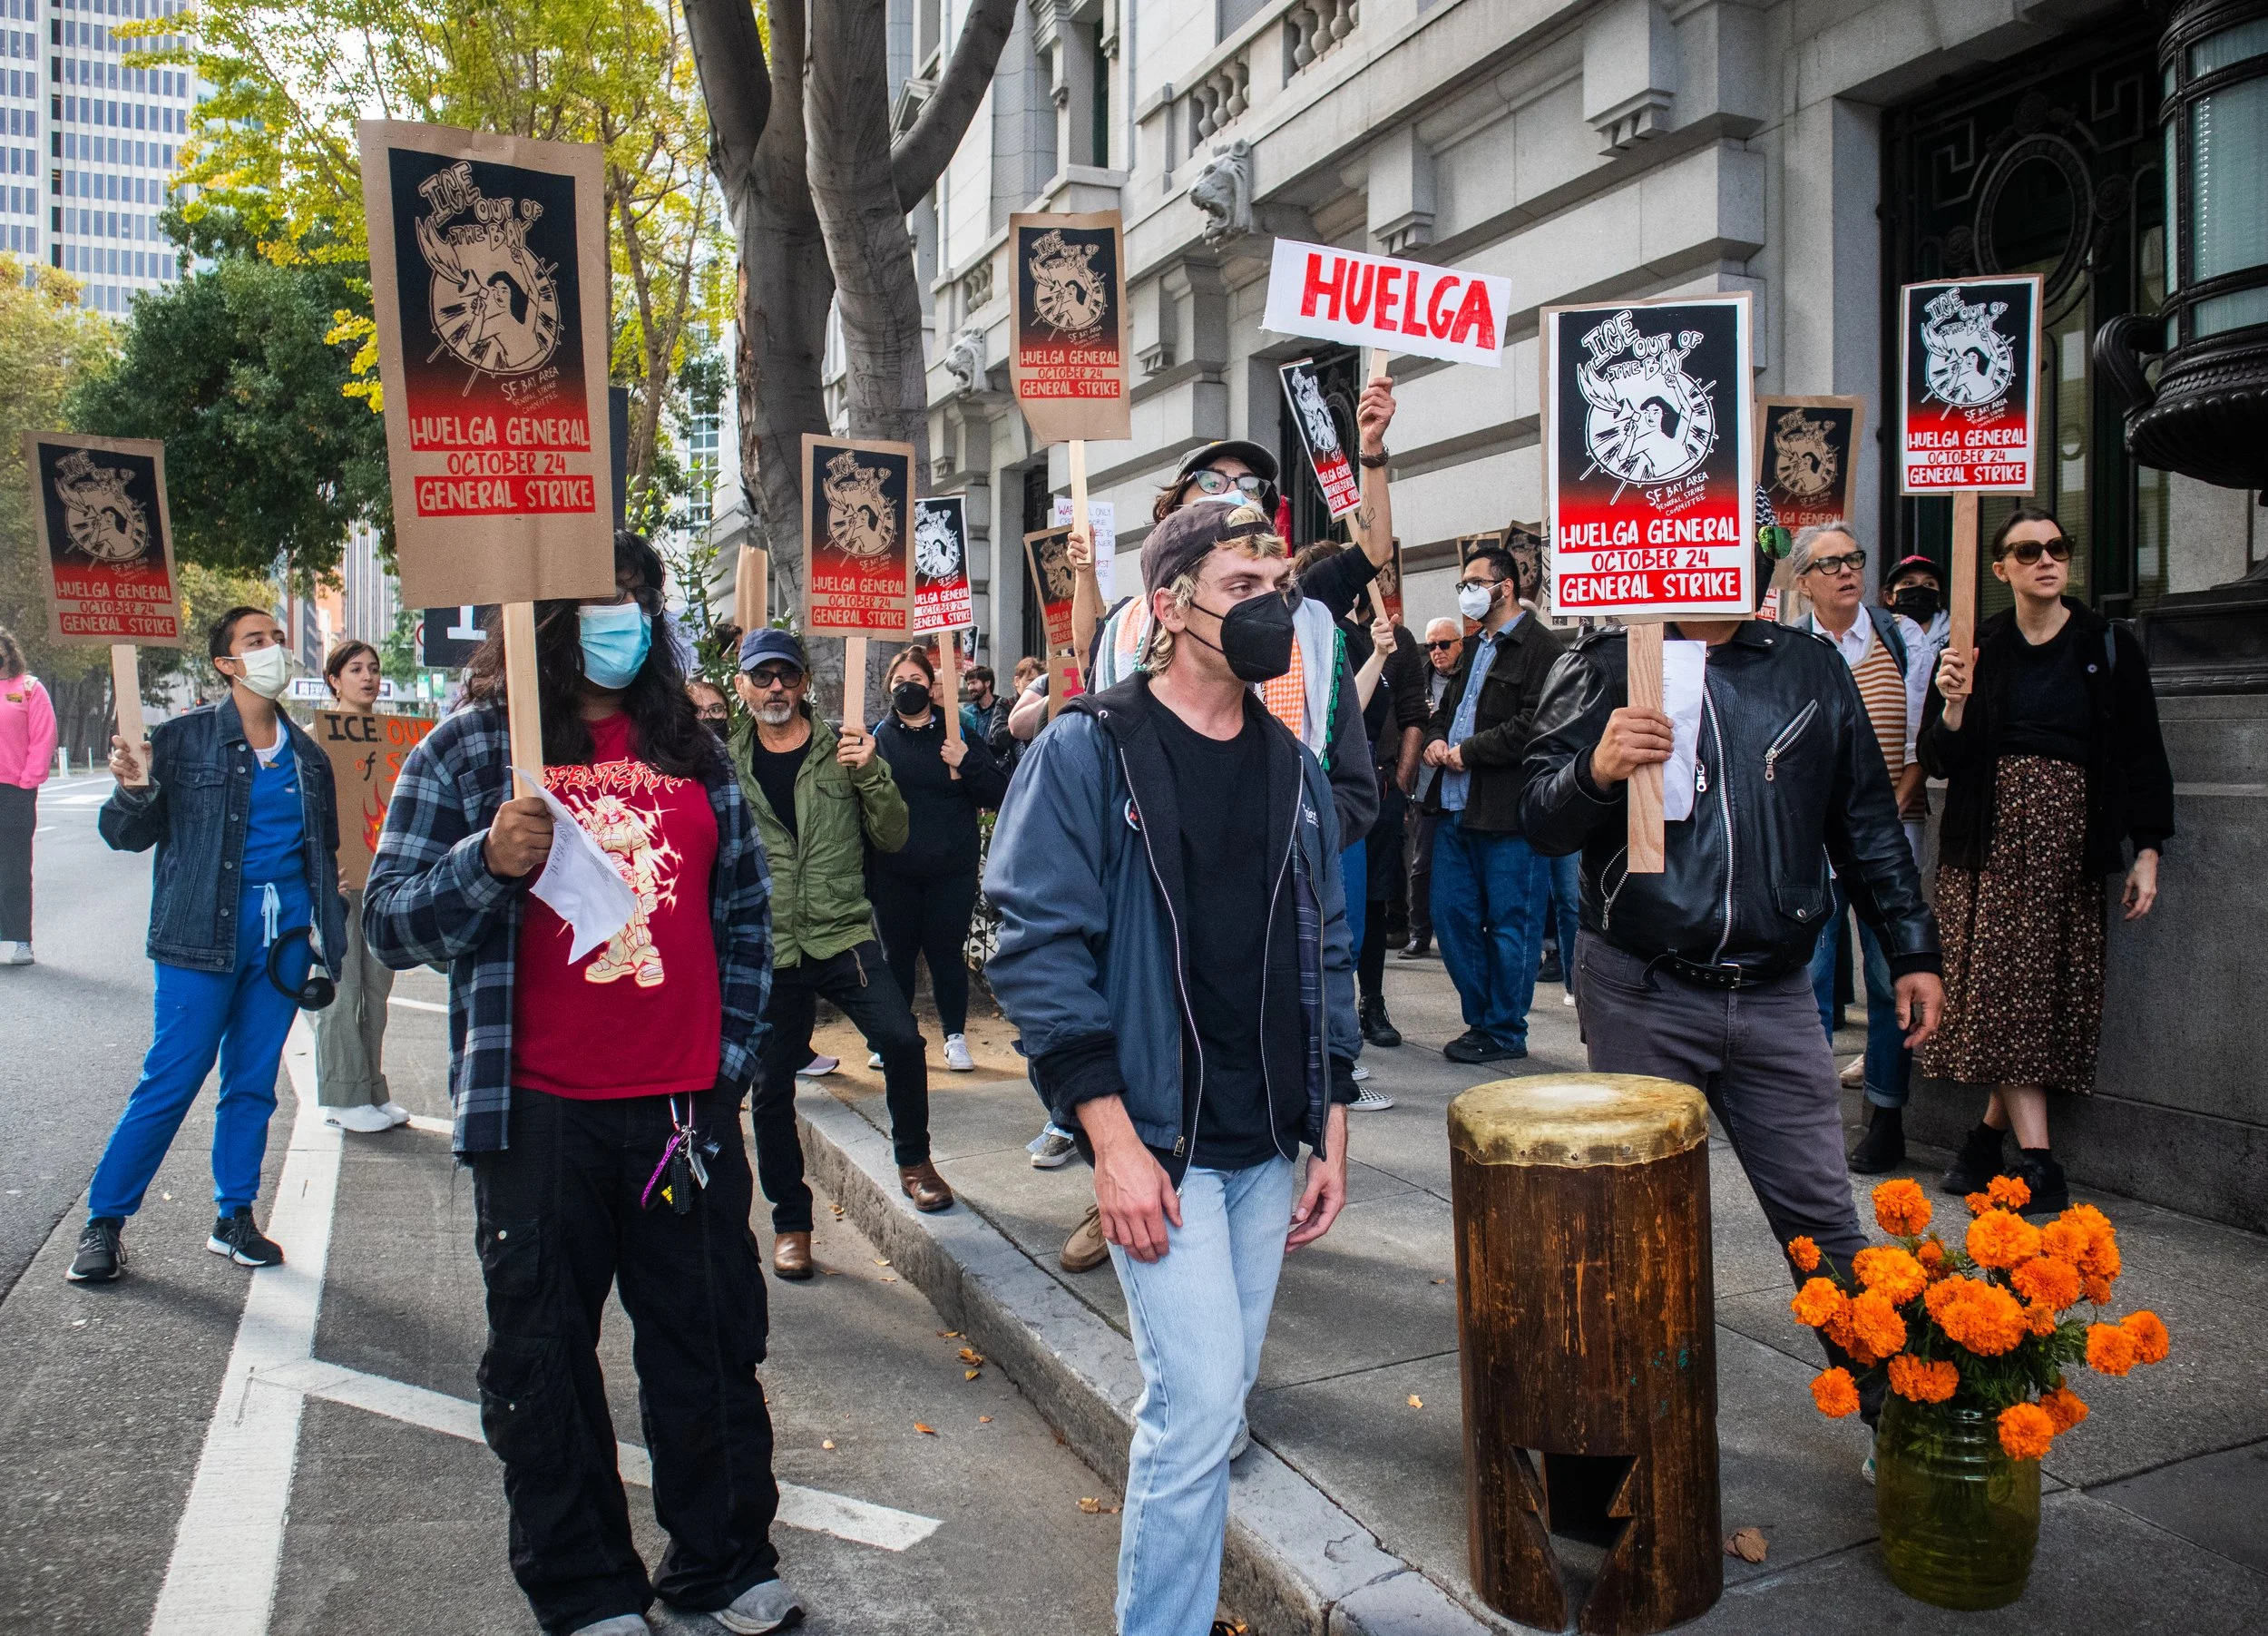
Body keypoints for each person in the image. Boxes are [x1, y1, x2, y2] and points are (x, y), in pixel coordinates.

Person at [364, 532, 797, 1636]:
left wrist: (728, 1064)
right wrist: (485, 864)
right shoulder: (470, 751)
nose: (624, 616)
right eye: (599, 599)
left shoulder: (693, 750)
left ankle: (725, 1563)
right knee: (542, 1360)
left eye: (639, 598)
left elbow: (745, 912)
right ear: (540, 619)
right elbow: (389, 920)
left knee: (708, 1342)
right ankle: (586, 1588)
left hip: (681, 1114)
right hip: (540, 1116)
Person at [984, 500, 1357, 1636]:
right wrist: (1110, 1143)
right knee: (1195, 1415)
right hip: (1161, 1142)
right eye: (1242, 587)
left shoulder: (1294, 766)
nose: (1269, 607)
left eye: (1276, 586)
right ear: (1169, 606)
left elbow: (1326, 949)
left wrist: (1328, 1122)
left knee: (1218, 1409)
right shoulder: (1089, 749)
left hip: (1263, 1149)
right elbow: (1036, 950)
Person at [1520, 592, 1942, 1415]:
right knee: (1637, 1229)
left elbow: (1865, 825)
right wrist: (1593, 770)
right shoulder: (1604, 662)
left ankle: (1900, 1414)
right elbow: (1537, 817)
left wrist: (1911, 946)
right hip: (1642, 986)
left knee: (1823, 1222)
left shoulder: (1809, 666)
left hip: (1778, 991)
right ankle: (1645, 1434)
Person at [71, 606, 347, 1284]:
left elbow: (324, 849)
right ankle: (104, 1221)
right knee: (171, 1079)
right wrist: (133, 789)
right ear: (226, 663)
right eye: (256, 641)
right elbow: (125, 834)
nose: (274, 649)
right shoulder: (180, 740)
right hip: (198, 939)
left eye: (277, 639)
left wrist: (327, 914)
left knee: (252, 1084)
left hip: (281, 945)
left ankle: (234, 1216)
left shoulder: (310, 758)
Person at [1920, 507, 2172, 1215]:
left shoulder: (2107, 644)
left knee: (2034, 1001)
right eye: (2027, 550)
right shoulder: (1979, 645)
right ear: (2000, 569)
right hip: (1987, 839)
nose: (2045, 559)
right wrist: (1952, 704)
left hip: (2068, 841)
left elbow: (2143, 757)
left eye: (2057, 547)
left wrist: (2146, 851)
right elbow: (1938, 757)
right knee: (1998, 997)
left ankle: (1984, 1146)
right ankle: (2038, 1163)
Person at [728, 627, 950, 1284]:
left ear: (805, 684)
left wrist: (873, 771)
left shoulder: (845, 749)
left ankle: (915, 1162)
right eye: (763, 676)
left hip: (840, 931)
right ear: (743, 686)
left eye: (787, 676)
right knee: (770, 1091)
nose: (776, 688)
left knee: (903, 1040)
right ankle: (791, 1223)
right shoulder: (723, 761)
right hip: (769, 942)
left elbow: (894, 833)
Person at [1784, 526, 1932, 1172]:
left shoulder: (1903, 638)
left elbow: (1925, 731)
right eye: (1830, 563)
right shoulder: (1789, 649)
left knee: (1886, 972)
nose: (1847, 571)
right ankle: (1808, 1115)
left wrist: (1892, 798)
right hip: (1811, 842)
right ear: (1802, 581)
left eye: (1854, 559)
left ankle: (1886, 1114)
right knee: (1811, 975)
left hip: (1889, 831)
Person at [1420, 545, 1564, 1064]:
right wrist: (1437, 739)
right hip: (1456, 809)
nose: (1467, 593)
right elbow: (1442, 709)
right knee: (1451, 915)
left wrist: (1468, 752)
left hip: (1508, 814)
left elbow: (1535, 725)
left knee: (1512, 923)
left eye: (1474, 583)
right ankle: (1481, 1019)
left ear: (1505, 587)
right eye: (1463, 585)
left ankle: (1505, 1030)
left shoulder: (1541, 648)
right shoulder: (1474, 646)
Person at [872, 644, 1009, 1075]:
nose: (907, 689)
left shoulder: (958, 732)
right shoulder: (878, 739)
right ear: (888, 689)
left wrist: (966, 763)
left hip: (951, 867)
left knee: (946, 954)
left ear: (931, 687)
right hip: (893, 869)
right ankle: (892, 1038)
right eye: (899, 682)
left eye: (915, 681)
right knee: (897, 956)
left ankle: (954, 1038)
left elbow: (997, 791)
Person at [314, 639, 409, 1135]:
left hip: (382, 882)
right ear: (335, 679)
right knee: (341, 987)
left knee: (376, 989)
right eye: (356, 669)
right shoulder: (314, 740)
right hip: (338, 882)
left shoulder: (395, 739)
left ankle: (370, 1089)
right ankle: (340, 1095)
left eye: (374, 668)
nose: (368, 677)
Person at [1400, 617, 1461, 961]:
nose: (1437, 652)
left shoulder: (1468, 679)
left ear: (1460, 644)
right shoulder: (1419, 680)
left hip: (1463, 785)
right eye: (1431, 646)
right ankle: (1419, 933)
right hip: (1425, 790)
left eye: (1444, 644)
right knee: (1421, 866)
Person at [0, 626, 57, 966]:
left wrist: (27, 780)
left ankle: (21, 940)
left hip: (16, 790)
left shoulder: (30, 688)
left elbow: (43, 736)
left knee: (15, 865)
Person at [960, 663, 1011, 749]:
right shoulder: (967, 712)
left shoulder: (1004, 708)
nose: (970, 688)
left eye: (974, 683)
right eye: (968, 684)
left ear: (987, 683)